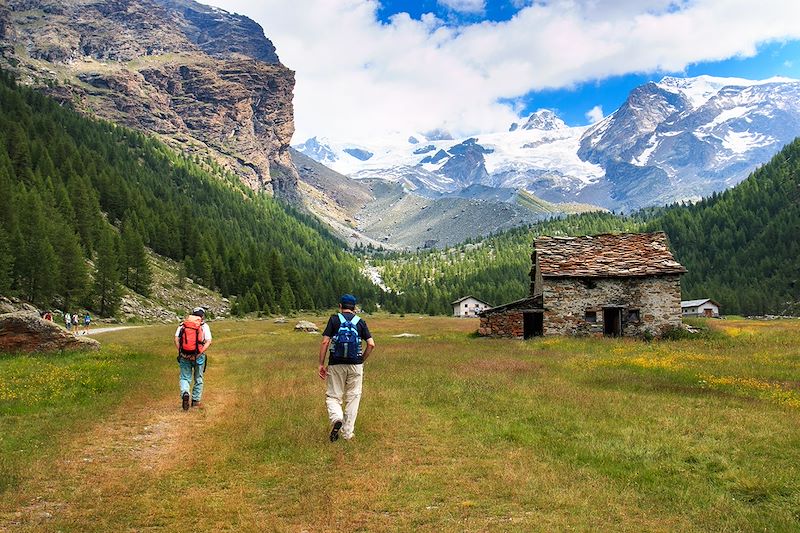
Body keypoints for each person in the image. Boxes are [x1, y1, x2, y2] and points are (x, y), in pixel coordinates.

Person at [318, 294, 375, 442]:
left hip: (336, 364)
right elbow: (371, 344)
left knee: (333, 396)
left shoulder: (334, 320)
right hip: (356, 365)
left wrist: (321, 364)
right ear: (354, 308)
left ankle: (337, 418)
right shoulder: (360, 322)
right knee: (353, 397)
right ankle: (347, 433)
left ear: (340, 306)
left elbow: (325, 342)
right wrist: (361, 360)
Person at [174, 307, 212, 411]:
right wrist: (199, 353)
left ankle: (185, 392)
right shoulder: (204, 326)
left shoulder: (183, 325)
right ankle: (196, 401)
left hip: (184, 355)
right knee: (198, 378)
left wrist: (182, 352)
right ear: (202, 316)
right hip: (198, 357)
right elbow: (208, 341)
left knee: (185, 377)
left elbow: (176, 339)